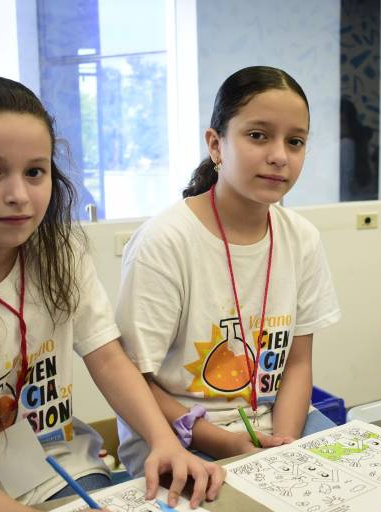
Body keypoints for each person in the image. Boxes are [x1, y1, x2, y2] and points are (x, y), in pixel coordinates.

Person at [0, 75, 223, 512]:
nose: (18, 195)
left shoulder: (61, 254)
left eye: (34, 172)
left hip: (56, 472)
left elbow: (109, 358)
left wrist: (164, 441)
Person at [115, 66, 341, 475]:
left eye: (295, 141)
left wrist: (284, 446)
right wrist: (227, 443)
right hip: (183, 436)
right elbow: (133, 381)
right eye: (258, 135)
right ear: (216, 145)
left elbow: (298, 364)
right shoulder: (165, 241)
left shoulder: (301, 238)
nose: (278, 155)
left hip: (277, 426)